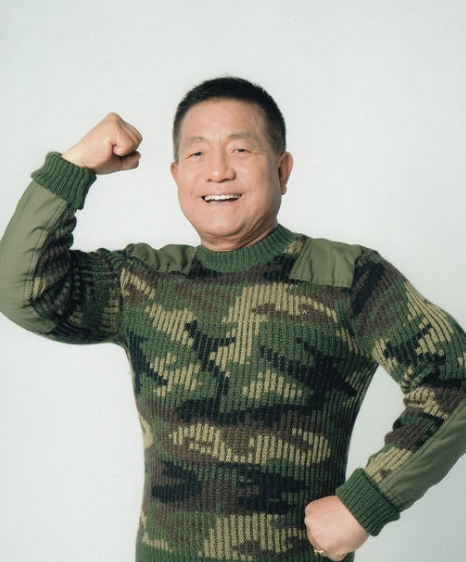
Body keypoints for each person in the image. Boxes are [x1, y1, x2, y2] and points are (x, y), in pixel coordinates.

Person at [1, 77, 466, 562]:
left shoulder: (345, 277)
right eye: (198, 154)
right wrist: (73, 167)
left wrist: (366, 503)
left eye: (241, 150)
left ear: (283, 170)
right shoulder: (142, 280)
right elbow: (22, 288)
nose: (218, 171)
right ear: (177, 176)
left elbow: (455, 378)